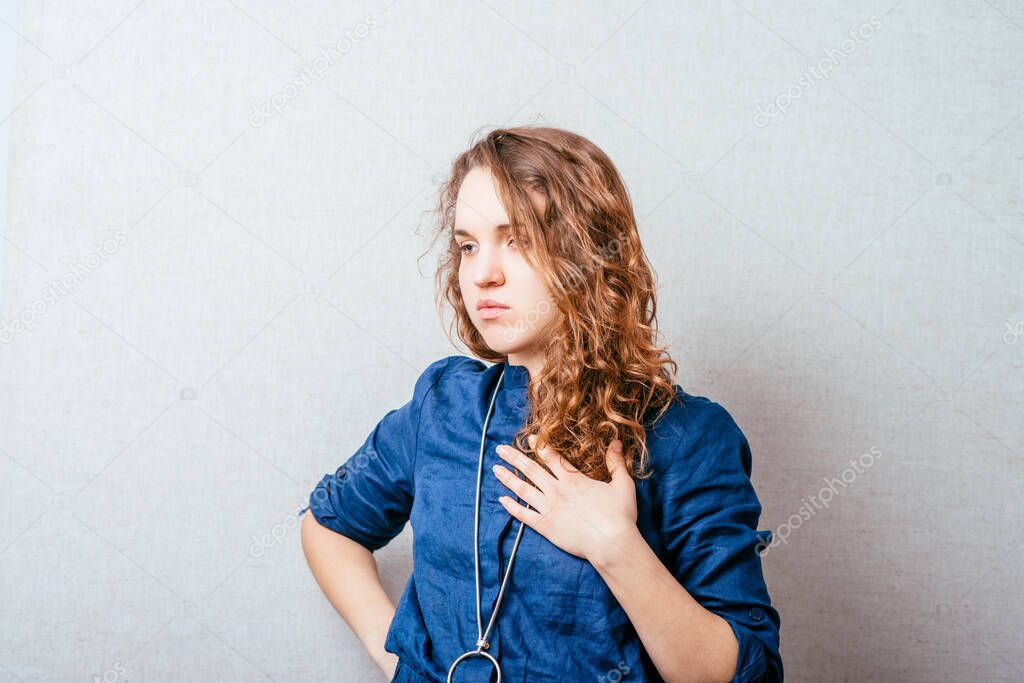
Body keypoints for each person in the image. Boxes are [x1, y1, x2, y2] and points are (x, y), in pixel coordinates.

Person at [299, 126, 783, 683]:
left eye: (519, 239)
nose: (484, 273)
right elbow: (329, 525)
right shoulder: (442, 407)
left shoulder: (688, 436)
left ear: (588, 253)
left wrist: (617, 549)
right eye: (468, 245)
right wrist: (397, 659)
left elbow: (748, 672)